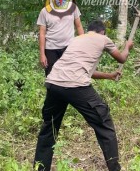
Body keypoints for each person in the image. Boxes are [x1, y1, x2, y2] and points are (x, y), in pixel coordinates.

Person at [34, 19, 133, 171]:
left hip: (54, 82)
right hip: (75, 86)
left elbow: (84, 70)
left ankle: (40, 168)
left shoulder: (77, 39)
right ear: (102, 32)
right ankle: (115, 168)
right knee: (104, 123)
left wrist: (109, 75)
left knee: (50, 128)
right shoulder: (103, 39)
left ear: (89, 30)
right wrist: (127, 47)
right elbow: (122, 58)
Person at [37, 4, 84, 76]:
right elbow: (42, 33)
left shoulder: (72, 7)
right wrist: (42, 54)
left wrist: (83, 47)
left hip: (69, 48)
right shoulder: (45, 11)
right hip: (50, 49)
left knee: (70, 75)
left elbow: (79, 26)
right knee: (51, 77)